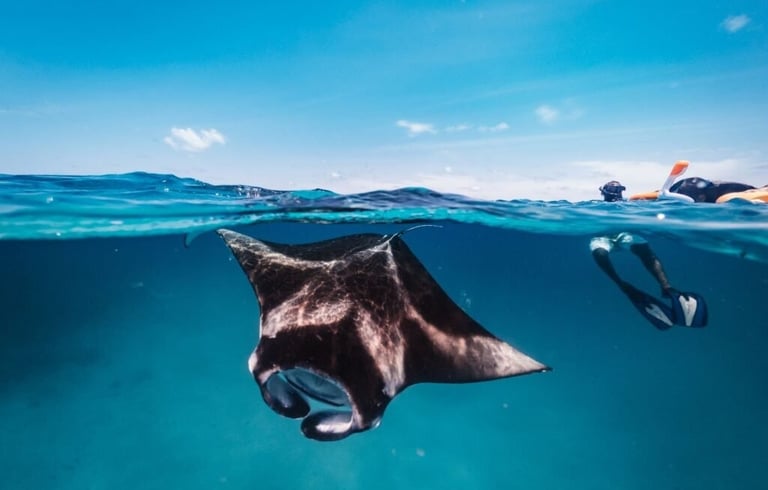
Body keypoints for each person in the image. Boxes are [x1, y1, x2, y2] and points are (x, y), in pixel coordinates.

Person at [591, 180, 708, 330]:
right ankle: (621, 284)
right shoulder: (596, 205)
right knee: (599, 253)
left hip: (625, 234)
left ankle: (667, 287)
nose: (615, 193)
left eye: (618, 189)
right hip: (602, 237)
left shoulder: (629, 205)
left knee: (643, 248)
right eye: (612, 189)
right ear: (603, 191)